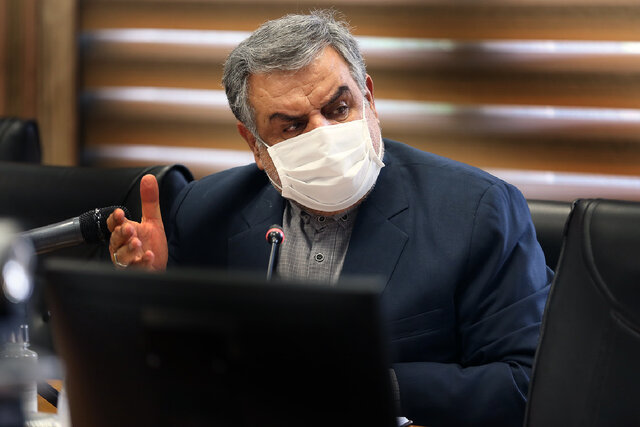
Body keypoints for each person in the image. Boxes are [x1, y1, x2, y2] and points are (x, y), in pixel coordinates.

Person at [107, 10, 552, 426]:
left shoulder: (478, 210)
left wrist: (373, 385)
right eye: (292, 126)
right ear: (255, 144)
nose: (324, 136)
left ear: (369, 99)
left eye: (339, 109)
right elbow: (171, 374)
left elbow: (528, 383)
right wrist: (145, 294)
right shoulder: (205, 209)